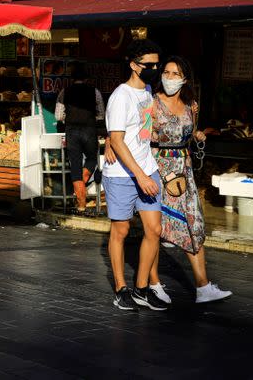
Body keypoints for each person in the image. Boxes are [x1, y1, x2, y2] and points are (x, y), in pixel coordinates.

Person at [147, 56, 232, 304]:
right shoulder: (151, 103)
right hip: (158, 167)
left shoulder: (191, 105)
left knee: (194, 223)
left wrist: (197, 135)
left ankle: (203, 286)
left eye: (176, 73)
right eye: (167, 72)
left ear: (185, 78)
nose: (170, 77)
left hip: (184, 170)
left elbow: (190, 133)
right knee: (156, 228)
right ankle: (152, 282)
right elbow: (138, 134)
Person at [102, 39, 168, 311]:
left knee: (154, 229)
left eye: (156, 64)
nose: (154, 69)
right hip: (122, 175)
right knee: (121, 230)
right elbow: (117, 141)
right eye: (148, 65)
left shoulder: (149, 90)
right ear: (133, 65)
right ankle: (121, 288)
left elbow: (137, 130)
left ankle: (142, 288)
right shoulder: (121, 96)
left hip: (146, 167)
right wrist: (140, 176)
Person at [55, 63, 106, 213]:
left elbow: (58, 116)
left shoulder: (65, 92)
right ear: (86, 78)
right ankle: (83, 184)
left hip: (71, 131)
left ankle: (81, 205)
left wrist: (68, 117)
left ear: (72, 79)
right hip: (90, 130)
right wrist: (90, 117)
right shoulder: (94, 92)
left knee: (75, 166)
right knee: (92, 159)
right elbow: (101, 114)